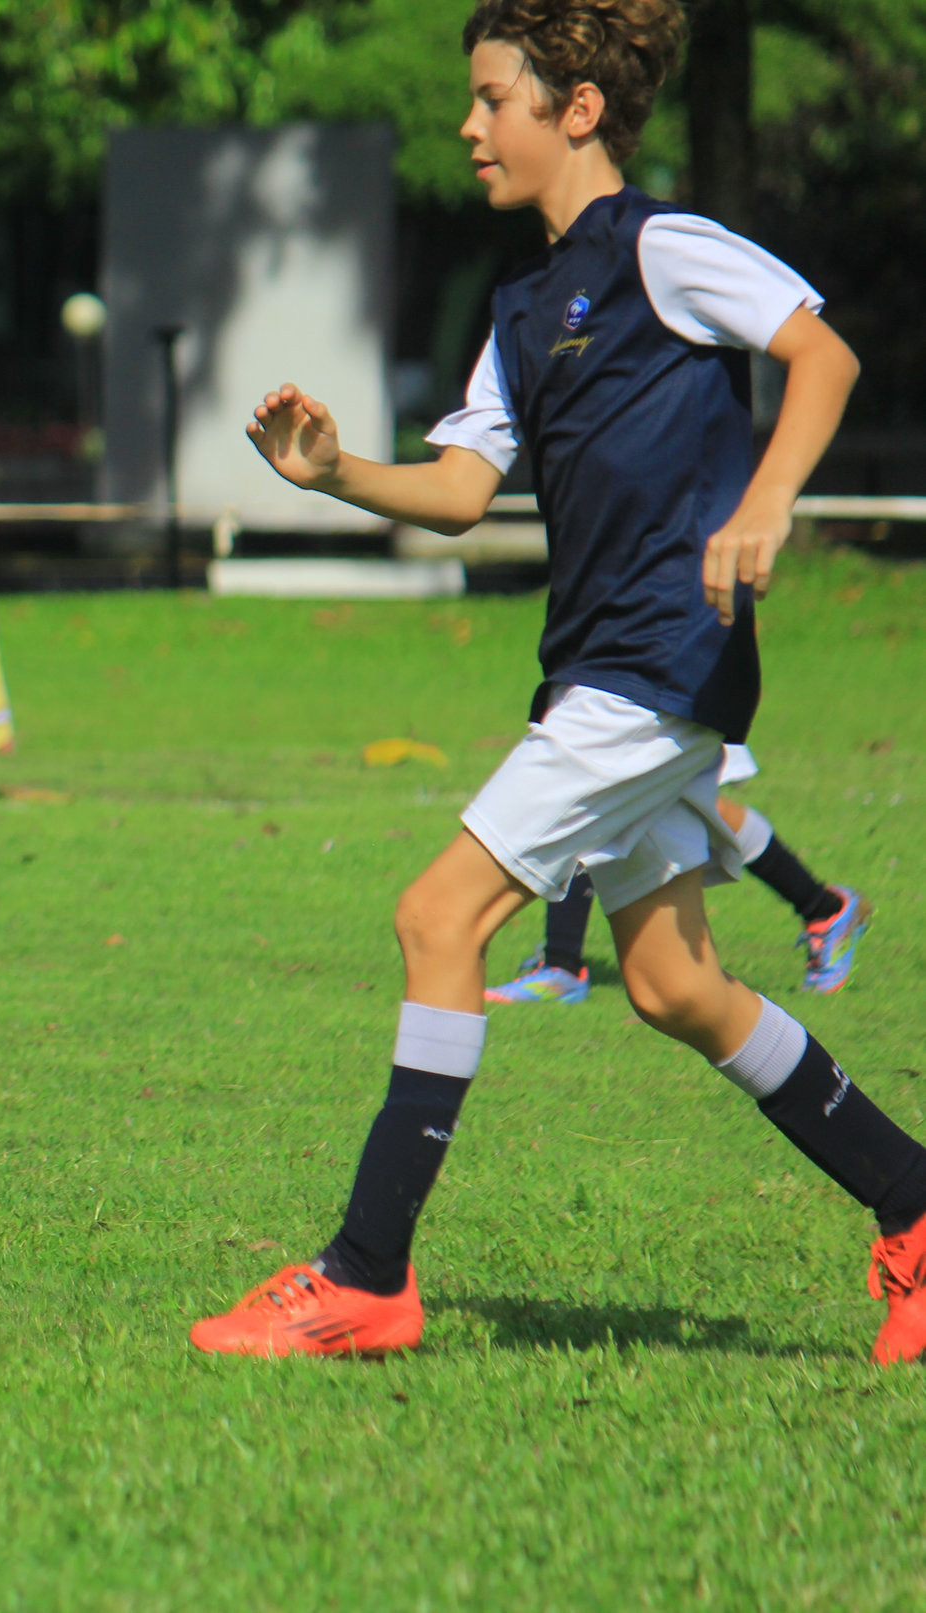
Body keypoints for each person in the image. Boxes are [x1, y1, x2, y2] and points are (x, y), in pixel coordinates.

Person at [190, 0, 926, 1364]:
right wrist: (333, 472)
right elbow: (464, 492)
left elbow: (820, 351)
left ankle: (363, 1275)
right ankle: (915, 1209)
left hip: (657, 660)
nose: (465, 127)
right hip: (600, 670)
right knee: (670, 985)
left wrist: (762, 504)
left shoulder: (659, 246)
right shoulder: (521, 309)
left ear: (572, 110)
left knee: (433, 917)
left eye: (488, 100)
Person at [487, 744, 871, 1002]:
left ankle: (561, 965)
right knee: (642, 798)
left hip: (663, 669)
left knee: (594, 793)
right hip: (615, 671)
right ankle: (824, 909)